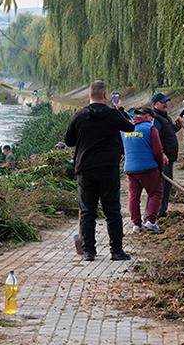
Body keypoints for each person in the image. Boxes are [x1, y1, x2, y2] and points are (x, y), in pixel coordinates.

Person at [64, 80, 135, 262]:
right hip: (108, 168)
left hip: (85, 169)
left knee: (87, 211)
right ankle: (116, 251)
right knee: (112, 210)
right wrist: (119, 109)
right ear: (105, 95)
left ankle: (89, 252)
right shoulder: (112, 114)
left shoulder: (79, 116)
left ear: (89, 96)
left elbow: (69, 141)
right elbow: (130, 126)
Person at [122, 107, 167, 233]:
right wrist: (160, 167)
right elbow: (158, 151)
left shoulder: (124, 129)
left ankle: (136, 224)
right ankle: (151, 222)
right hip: (148, 167)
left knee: (133, 197)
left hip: (130, 168)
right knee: (155, 193)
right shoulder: (150, 128)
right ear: (148, 117)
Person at [151, 92, 181, 218]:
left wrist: (178, 126)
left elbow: (170, 132)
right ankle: (156, 213)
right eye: (162, 102)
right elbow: (154, 138)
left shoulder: (164, 117)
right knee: (161, 186)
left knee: (167, 185)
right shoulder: (156, 119)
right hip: (163, 158)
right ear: (154, 104)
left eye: (166, 101)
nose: (165, 104)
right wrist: (161, 153)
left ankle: (162, 211)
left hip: (169, 158)